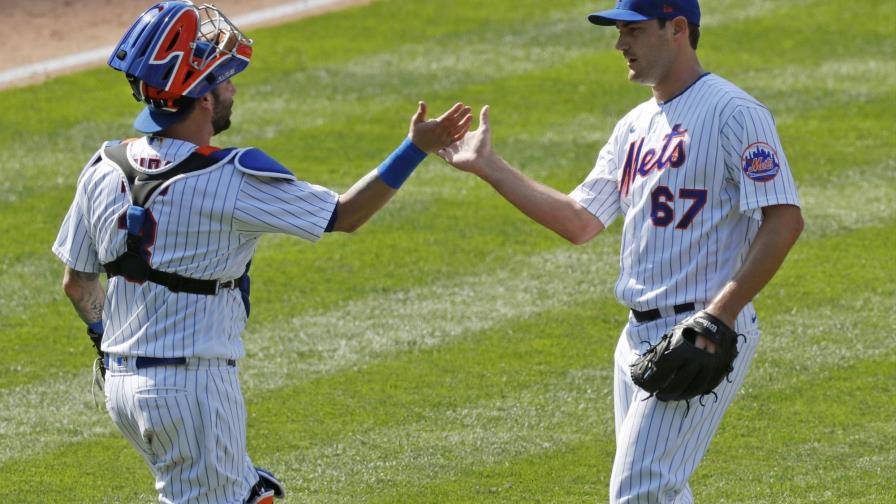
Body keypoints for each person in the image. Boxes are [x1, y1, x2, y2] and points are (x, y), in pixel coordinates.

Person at [52, 2, 471, 503]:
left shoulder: (102, 167)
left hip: (123, 387)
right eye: (224, 80)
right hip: (193, 391)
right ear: (203, 98)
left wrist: (106, 342)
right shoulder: (230, 179)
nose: (231, 89)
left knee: (247, 494)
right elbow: (347, 215)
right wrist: (415, 149)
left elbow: (78, 284)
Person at [438, 0, 803, 501]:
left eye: (631, 30)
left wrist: (719, 318)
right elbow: (580, 221)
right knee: (660, 491)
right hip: (637, 336)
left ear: (676, 28)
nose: (619, 44)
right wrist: (488, 166)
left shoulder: (734, 114)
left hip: (702, 331)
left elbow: (785, 218)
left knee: (640, 492)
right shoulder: (633, 126)